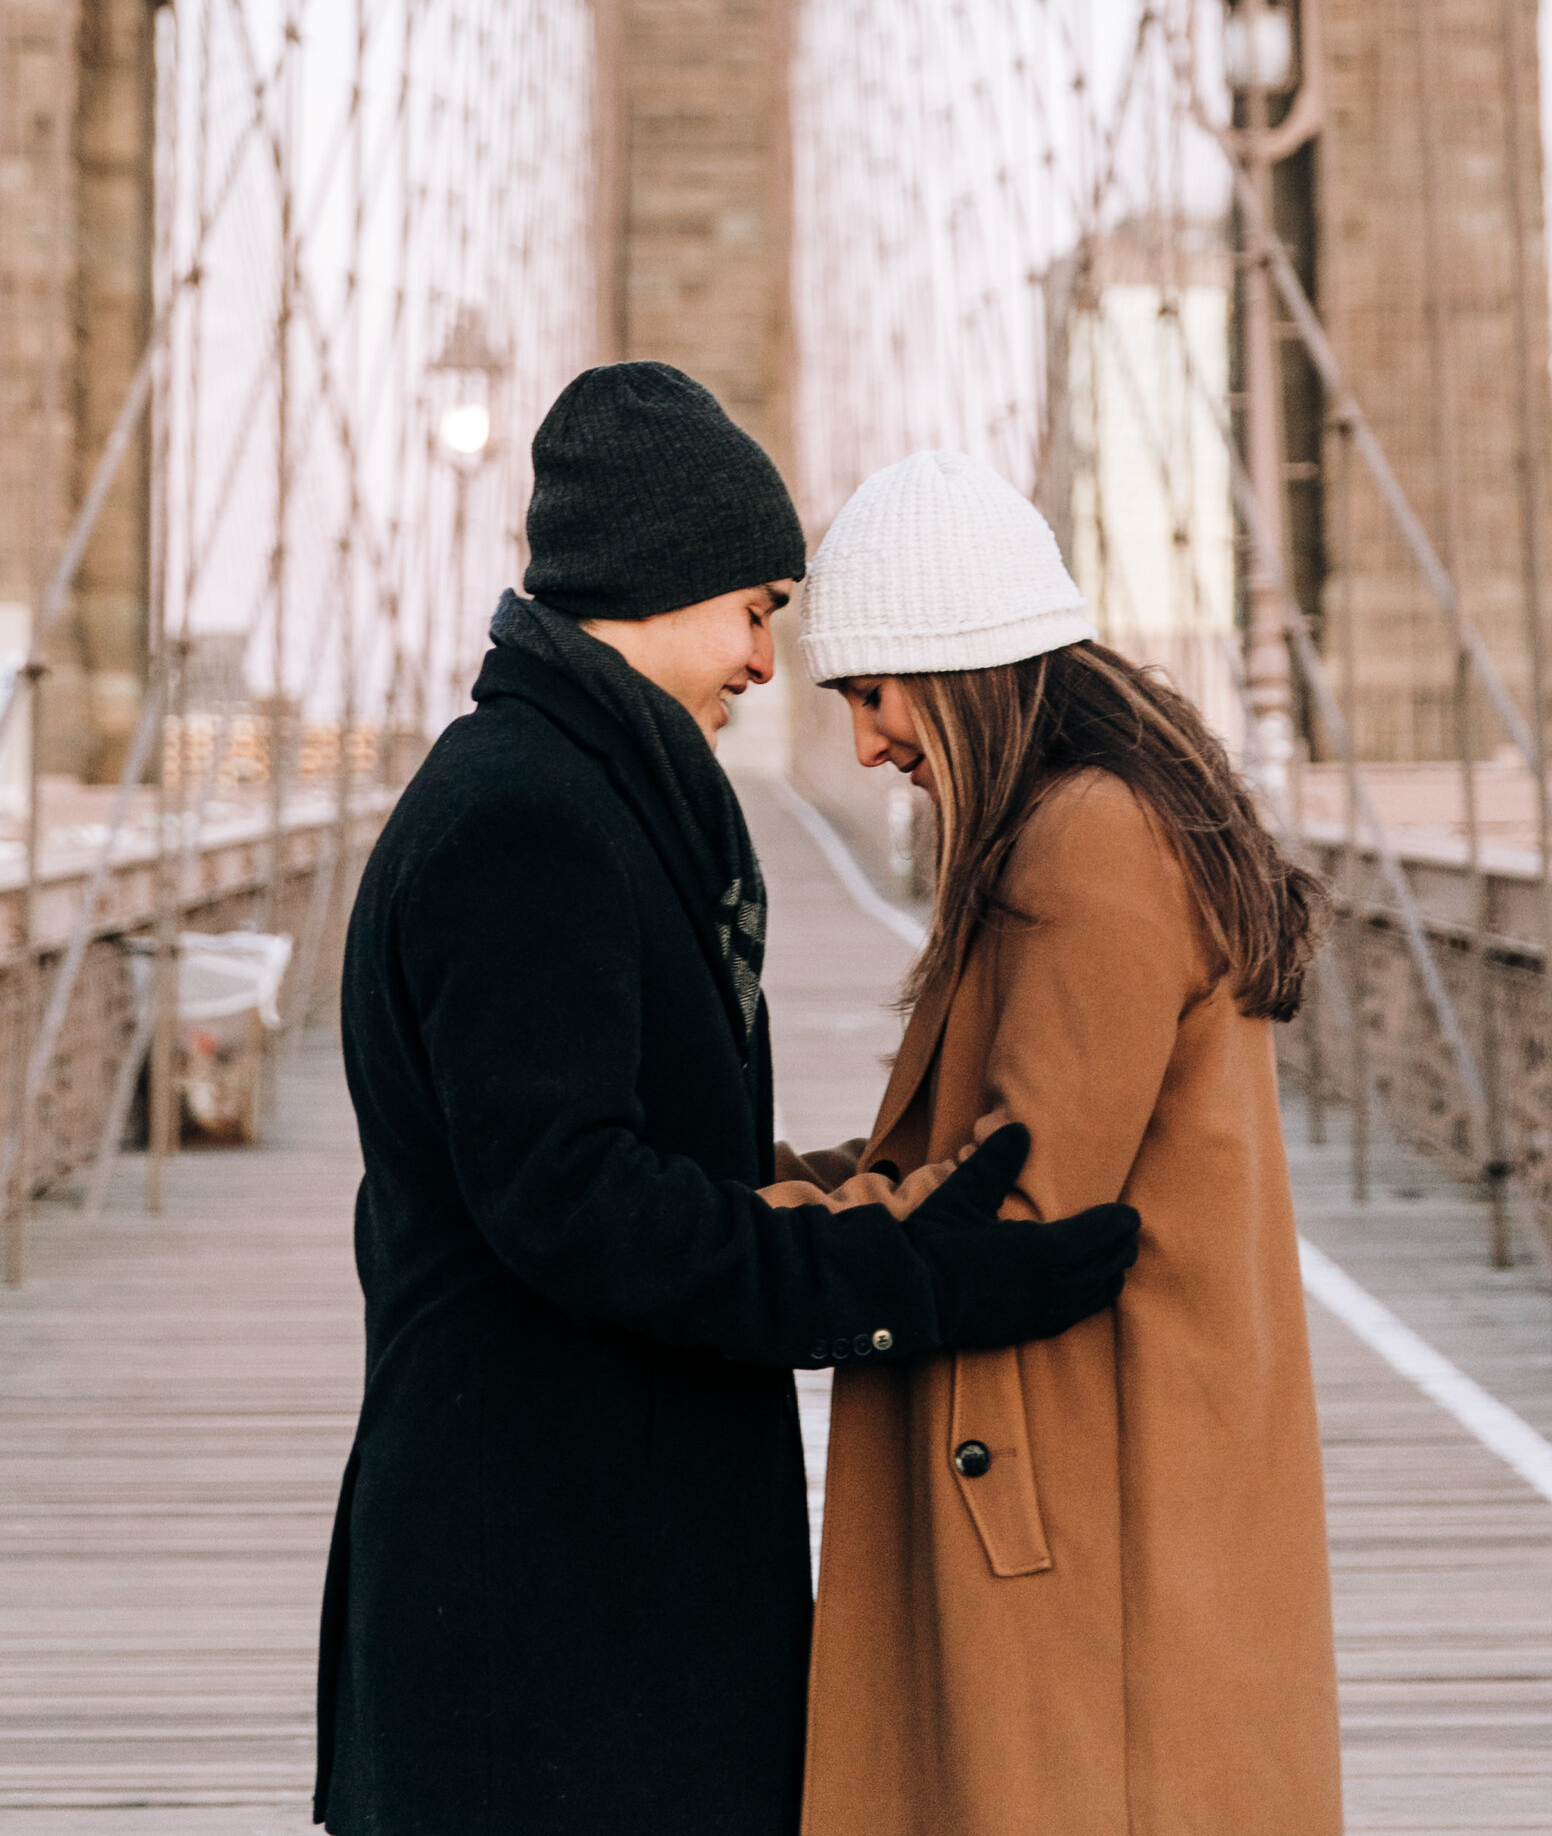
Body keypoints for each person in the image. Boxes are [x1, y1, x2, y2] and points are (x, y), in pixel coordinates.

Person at [313, 365, 1141, 1836]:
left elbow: (632, 1156)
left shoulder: (583, 793)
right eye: (756, 606)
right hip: (544, 1619)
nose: (769, 657)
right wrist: (908, 1281)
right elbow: (580, 1206)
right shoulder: (525, 817)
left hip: (596, 1588)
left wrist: (857, 1193)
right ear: (659, 577)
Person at [784, 446, 1342, 1836]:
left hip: (1087, 1493)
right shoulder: (1098, 818)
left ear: (956, 662)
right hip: (1113, 1466)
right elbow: (995, 1132)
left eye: (873, 691)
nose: (865, 743)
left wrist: (728, 1231)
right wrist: (793, 1182)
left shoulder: (1084, 838)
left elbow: (1015, 1201)